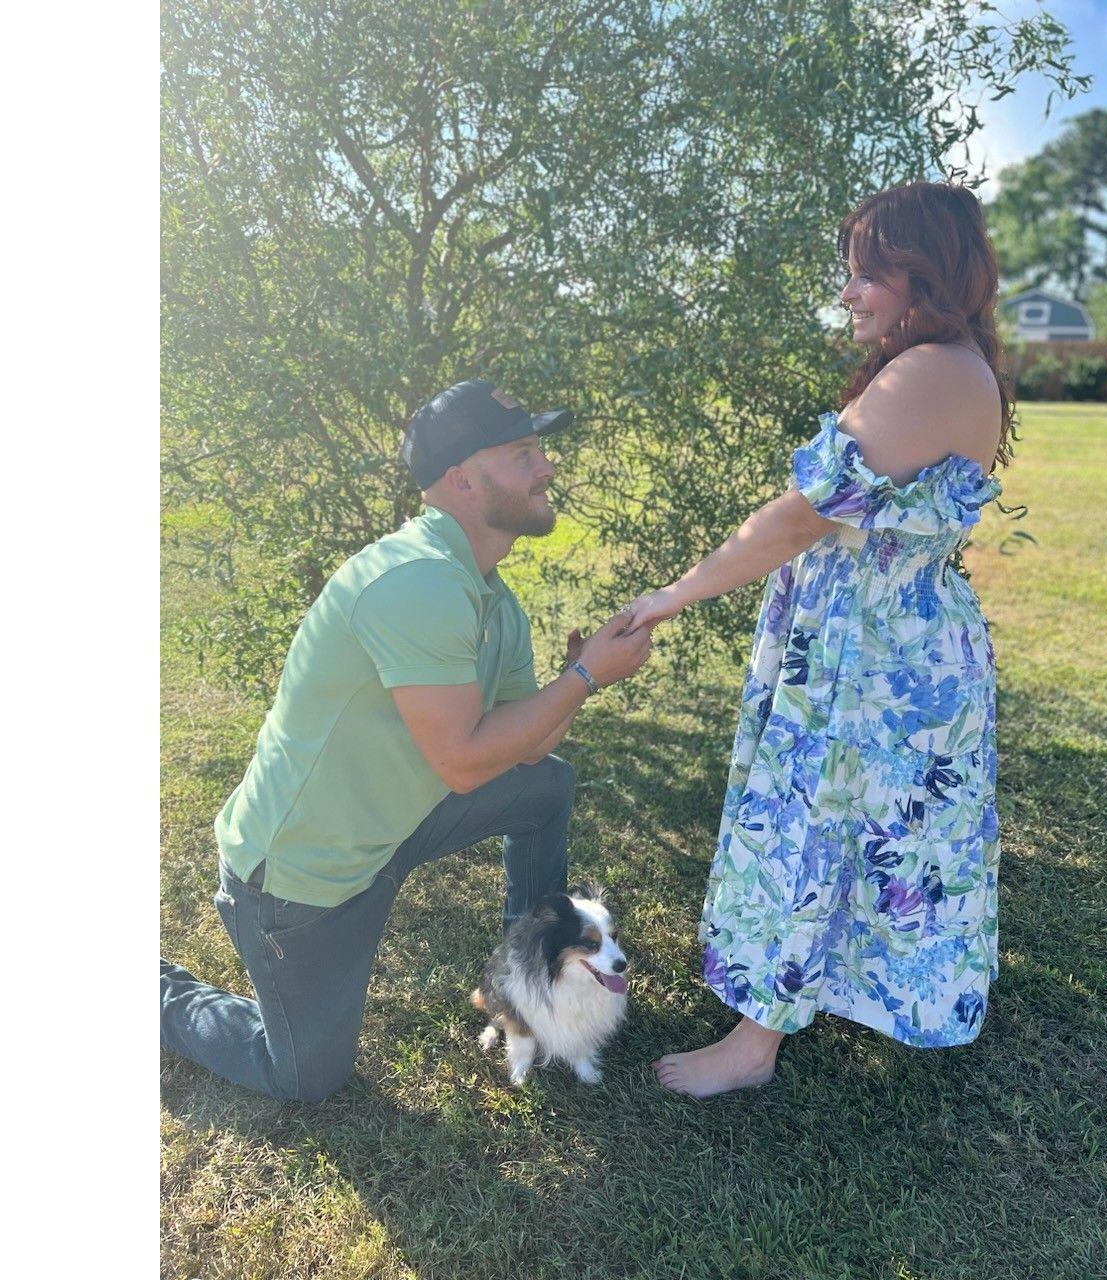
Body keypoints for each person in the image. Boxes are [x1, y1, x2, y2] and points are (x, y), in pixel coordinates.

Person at [161, 380, 652, 1102]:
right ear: (463, 479)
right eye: (523, 454)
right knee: (303, 1077)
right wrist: (582, 675)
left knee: (546, 785)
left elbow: (525, 750)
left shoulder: (494, 601)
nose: (546, 468)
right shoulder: (416, 581)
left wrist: (580, 682)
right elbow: (462, 763)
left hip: (389, 830)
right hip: (302, 878)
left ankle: (529, 983)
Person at [625, 182, 1011, 1097]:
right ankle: (813, 996)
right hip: (893, 651)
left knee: (814, 826)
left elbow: (799, 519)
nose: (849, 293)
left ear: (925, 274)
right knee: (866, 833)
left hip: (873, 663)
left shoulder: (931, 372)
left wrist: (672, 595)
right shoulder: (946, 366)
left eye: (868, 273)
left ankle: (752, 1047)